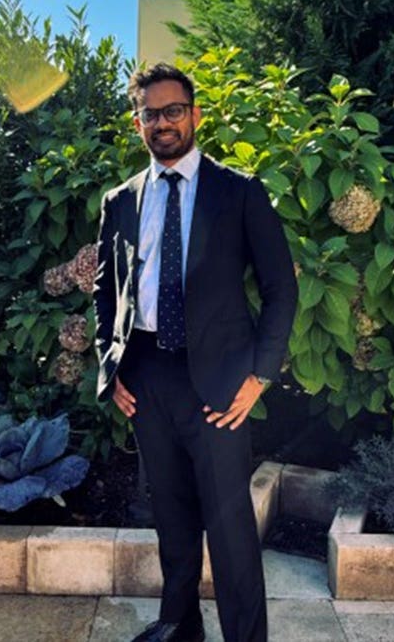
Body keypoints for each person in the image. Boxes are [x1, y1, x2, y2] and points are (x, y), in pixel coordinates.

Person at [93, 63, 297, 642]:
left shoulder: (240, 192)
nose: (162, 123)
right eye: (150, 114)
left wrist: (260, 376)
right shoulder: (121, 201)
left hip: (220, 384)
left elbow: (282, 288)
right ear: (138, 123)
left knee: (230, 527)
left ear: (195, 115)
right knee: (173, 520)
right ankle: (180, 629)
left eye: (173, 110)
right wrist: (113, 369)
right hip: (149, 378)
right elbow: (105, 292)